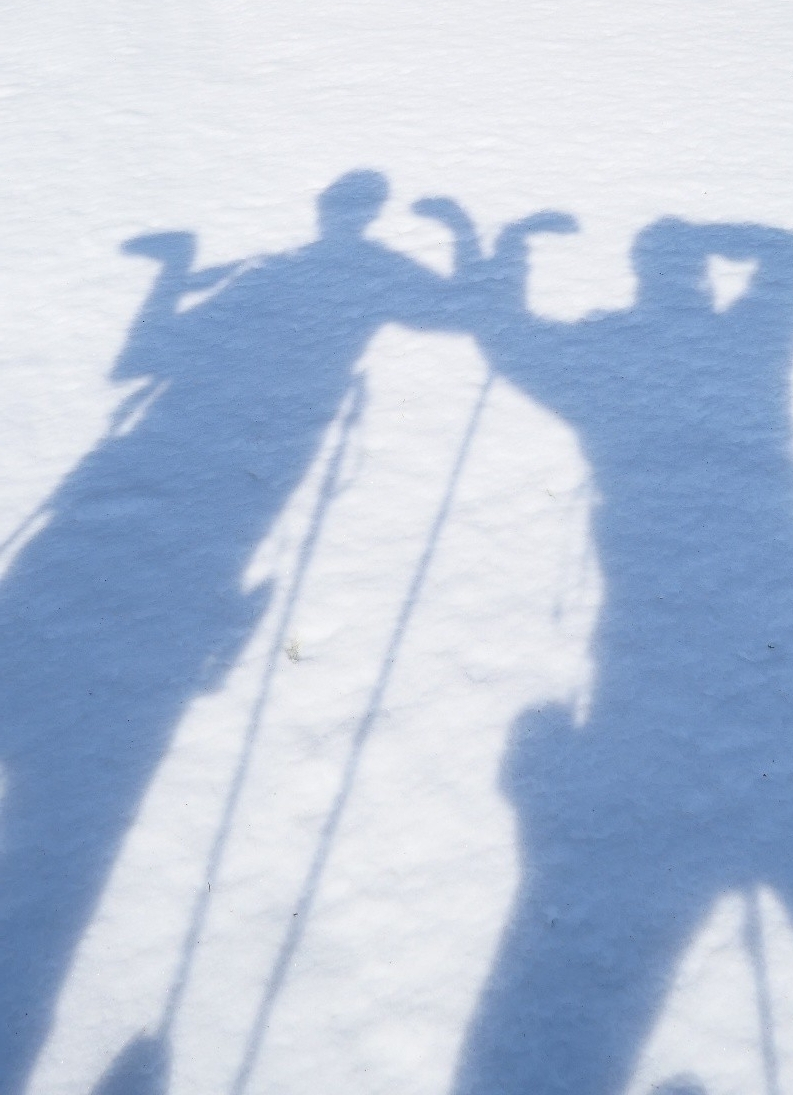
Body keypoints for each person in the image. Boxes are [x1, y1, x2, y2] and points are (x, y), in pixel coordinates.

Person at [0, 171, 468, 1095]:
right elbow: (459, 312)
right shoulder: (339, 271)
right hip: (224, 497)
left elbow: (141, 361)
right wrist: (463, 233)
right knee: (75, 799)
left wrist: (177, 275)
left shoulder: (264, 274)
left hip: (139, 488)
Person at [438, 211, 793, 1095]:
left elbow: (501, 339)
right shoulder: (743, 344)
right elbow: (790, 254)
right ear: (694, 280)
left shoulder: (605, 361)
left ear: (645, 280)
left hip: (649, 681)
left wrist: (508, 250)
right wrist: (708, 234)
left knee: (582, 965)